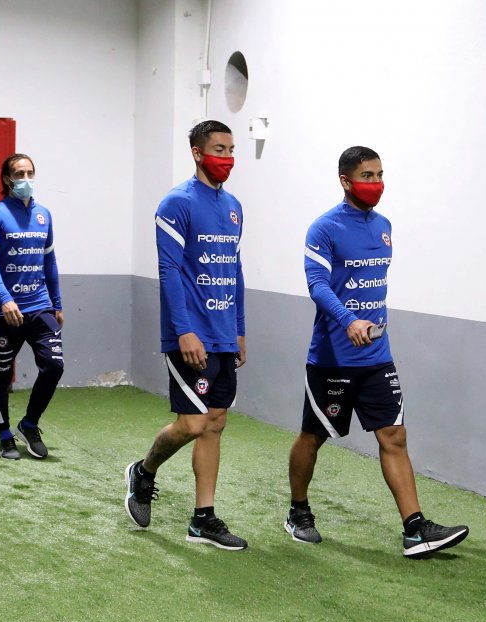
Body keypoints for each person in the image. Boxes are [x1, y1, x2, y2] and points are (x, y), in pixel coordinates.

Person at [285, 145, 468, 558]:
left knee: (395, 436)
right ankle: (299, 511)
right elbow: (318, 285)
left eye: (380, 175)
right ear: (346, 180)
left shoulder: (384, 224)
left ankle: (415, 529)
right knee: (313, 438)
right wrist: (349, 320)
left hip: (376, 356)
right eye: (367, 176)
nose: (376, 183)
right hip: (333, 358)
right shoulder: (324, 228)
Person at [123, 120, 248, 550]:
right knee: (192, 423)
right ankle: (144, 471)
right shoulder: (177, 203)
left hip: (223, 333)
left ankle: (203, 518)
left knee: (215, 423)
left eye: (232, 149)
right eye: (219, 149)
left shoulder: (233, 206)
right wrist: (184, 331)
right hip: (189, 336)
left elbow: (234, 270)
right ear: (197, 152)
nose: (227, 157)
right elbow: (169, 270)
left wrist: (240, 329)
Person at [0, 153, 64, 460]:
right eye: (19, 173)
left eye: (30, 172)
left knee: (55, 366)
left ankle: (29, 424)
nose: (25, 179)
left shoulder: (44, 215)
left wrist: (57, 303)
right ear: (7, 179)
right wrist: (5, 299)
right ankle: (4, 436)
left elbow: (50, 260)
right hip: (6, 313)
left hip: (41, 307)